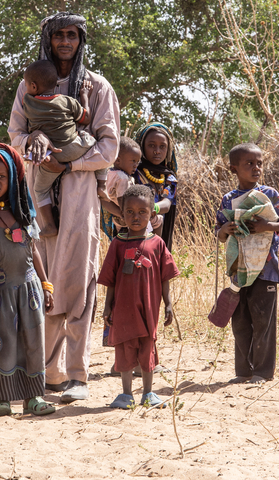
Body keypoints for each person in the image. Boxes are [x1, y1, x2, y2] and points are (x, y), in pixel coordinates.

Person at [8, 12, 120, 404]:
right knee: (43, 281)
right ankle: (45, 373)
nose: (66, 42)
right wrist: (35, 139)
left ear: (81, 40)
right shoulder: (28, 86)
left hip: (79, 196)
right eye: (59, 36)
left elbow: (109, 147)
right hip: (37, 197)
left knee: (79, 282)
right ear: (48, 40)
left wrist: (69, 163)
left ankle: (77, 375)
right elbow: (15, 135)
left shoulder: (97, 87)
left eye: (72, 35)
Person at [0, 142, 56, 417]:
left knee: (32, 342)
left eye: (1, 177)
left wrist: (46, 284)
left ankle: (33, 397)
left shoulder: (23, 213)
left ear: (12, 178)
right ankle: (2, 399)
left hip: (29, 289)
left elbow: (33, 250)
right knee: (2, 343)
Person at [215, 143, 279, 384]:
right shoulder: (229, 199)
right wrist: (224, 229)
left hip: (266, 270)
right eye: (249, 163)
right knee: (240, 321)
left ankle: (262, 372)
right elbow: (219, 236)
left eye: (259, 163)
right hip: (239, 269)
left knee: (263, 322)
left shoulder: (269, 195)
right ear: (234, 168)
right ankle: (243, 372)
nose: (256, 168)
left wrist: (267, 226)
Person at [99, 185, 179, 409]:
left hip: (149, 308)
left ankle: (148, 393)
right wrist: (107, 307)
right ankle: (126, 394)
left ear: (152, 215)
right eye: (130, 212)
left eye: (142, 212)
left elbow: (165, 277)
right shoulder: (117, 244)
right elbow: (111, 279)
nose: (136, 217)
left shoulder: (157, 244)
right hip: (123, 309)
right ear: (122, 215)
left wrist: (168, 304)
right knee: (124, 348)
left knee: (147, 347)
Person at [21, 59, 101, 236]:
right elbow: (85, 118)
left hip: (51, 155)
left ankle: (49, 225)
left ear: (33, 87)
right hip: (73, 148)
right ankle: (102, 182)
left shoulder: (28, 102)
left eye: (26, 85)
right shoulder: (66, 101)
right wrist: (85, 96)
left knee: (39, 190)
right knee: (97, 145)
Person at [133, 122, 179, 251]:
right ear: (141, 146)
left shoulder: (169, 179)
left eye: (162, 146)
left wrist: (151, 209)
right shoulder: (133, 173)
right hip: (132, 235)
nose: (157, 151)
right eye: (151, 145)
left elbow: (167, 204)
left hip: (157, 238)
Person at [99, 136, 157, 238]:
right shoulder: (123, 178)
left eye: (137, 161)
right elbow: (123, 199)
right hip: (124, 218)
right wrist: (127, 214)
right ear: (117, 160)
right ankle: (154, 245)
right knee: (158, 221)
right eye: (133, 161)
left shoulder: (109, 173)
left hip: (114, 216)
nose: (136, 165)